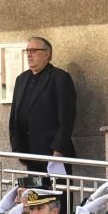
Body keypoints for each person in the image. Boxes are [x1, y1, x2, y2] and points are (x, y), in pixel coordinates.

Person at [8, 37, 77, 173]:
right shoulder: (21, 79)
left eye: (33, 50)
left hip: (53, 155)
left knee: (56, 194)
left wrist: (58, 149)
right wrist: (17, 148)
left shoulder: (60, 78)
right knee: (34, 194)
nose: (29, 54)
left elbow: (67, 118)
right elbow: (14, 117)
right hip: (29, 154)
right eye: (27, 50)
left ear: (47, 54)